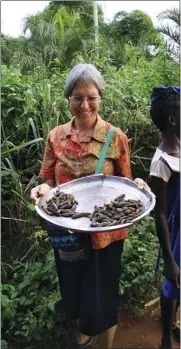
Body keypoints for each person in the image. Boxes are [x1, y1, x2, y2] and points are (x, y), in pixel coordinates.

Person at [30, 63, 147, 349]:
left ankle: (104, 343)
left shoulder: (115, 137)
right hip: (67, 234)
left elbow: (125, 184)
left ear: (100, 97)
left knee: (102, 292)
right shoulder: (56, 136)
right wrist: (40, 190)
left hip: (106, 235)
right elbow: (47, 181)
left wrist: (140, 187)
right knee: (75, 288)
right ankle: (84, 336)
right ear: (68, 98)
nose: (85, 104)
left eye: (91, 97)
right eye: (77, 97)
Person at [149, 86, 180, 349]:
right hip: (176, 236)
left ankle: (175, 325)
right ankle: (165, 340)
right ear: (172, 118)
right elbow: (160, 214)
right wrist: (169, 260)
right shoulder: (162, 162)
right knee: (172, 284)